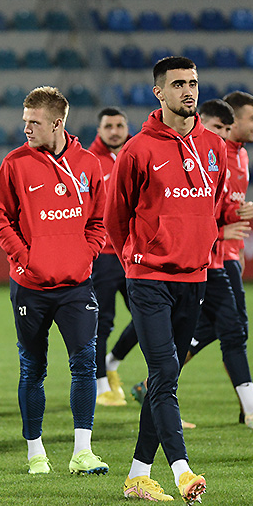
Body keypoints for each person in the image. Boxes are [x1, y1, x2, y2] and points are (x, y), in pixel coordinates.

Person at [105, 56, 237, 506]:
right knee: (164, 373)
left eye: (193, 83)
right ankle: (183, 471)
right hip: (148, 277)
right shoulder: (137, 150)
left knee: (166, 379)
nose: (188, 91)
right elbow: (115, 217)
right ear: (158, 92)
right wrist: (135, 260)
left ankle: (137, 476)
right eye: (178, 84)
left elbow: (212, 205)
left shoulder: (214, 147)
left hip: (194, 277)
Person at [0, 87, 109, 476]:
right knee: (33, 369)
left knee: (85, 364)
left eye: (34, 122)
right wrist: (23, 258)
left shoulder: (88, 164)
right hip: (31, 288)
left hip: (76, 286)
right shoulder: (15, 163)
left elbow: (99, 221)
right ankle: (36, 453)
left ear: (57, 123)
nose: (26, 128)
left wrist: (86, 253)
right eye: (24, 121)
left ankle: (82, 452)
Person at [186, 94, 253, 429]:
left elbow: (220, 209)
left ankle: (247, 407)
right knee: (231, 328)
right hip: (204, 259)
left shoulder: (236, 156)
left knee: (219, 328)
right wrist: (224, 231)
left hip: (222, 256)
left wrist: (236, 234)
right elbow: (191, 217)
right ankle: (251, 408)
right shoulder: (199, 159)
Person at [87, 107, 138, 407]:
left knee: (148, 317)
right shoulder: (89, 160)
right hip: (105, 255)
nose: (115, 131)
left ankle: (112, 362)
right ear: (100, 130)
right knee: (102, 322)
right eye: (109, 126)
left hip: (134, 252)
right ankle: (101, 385)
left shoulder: (137, 154)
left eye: (119, 125)